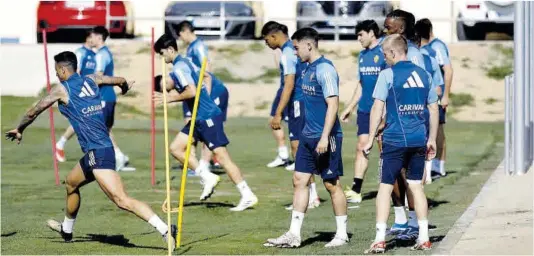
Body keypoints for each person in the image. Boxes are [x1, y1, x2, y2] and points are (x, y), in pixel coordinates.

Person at [5, 51, 177, 250]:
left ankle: (165, 229)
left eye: (56, 71)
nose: (56, 75)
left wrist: (20, 129)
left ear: (62, 69)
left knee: (121, 200)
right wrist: (124, 85)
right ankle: (66, 230)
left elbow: (34, 110)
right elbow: (117, 79)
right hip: (95, 152)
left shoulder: (62, 89)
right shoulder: (91, 79)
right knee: (71, 183)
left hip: (99, 152)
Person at [153, 34, 258, 211]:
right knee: (176, 148)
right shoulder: (185, 63)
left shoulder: (180, 67)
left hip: (206, 116)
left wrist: (168, 98)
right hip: (197, 117)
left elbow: (192, 91)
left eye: (162, 54)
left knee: (223, 158)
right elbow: (204, 77)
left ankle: (247, 195)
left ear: (171, 50)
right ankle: (207, 177)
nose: (162, 59)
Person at [264, 28, 348, 248]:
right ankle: (294, 234)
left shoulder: (325, 69)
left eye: (296, 47)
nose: (294, 52)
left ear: (309, 45)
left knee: (331, 184)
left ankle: (341, 234)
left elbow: (333, 105)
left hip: (326, 138)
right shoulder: (307, 69)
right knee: (299, 180)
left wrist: (324, 137)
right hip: (307, 137)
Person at [363, 34, 439, 253]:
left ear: (393, 52)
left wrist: (369, 138)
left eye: (385, 54)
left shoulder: (388, 75)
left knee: (385, 188)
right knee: (416, 186)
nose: (384, 58)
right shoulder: (424, 75)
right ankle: (424, 237)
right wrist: (432, 138)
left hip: (395, 140)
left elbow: (377, 107)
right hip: (418, 140)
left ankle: (379, 239)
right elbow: (433, 108)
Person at [261, 21, 321, 210]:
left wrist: (278, 113)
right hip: (302, 102)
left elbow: (288, 84)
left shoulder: (288, 53)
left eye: (266, 40)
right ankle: (312, 194)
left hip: (298, 103)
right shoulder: (291, 50)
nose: (266, 44)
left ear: (273, 36)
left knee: (299, 149)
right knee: (299, 148)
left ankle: (310, 195)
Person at [380, 9, 428, 237]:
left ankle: (413, 222)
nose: (384, 30)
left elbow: (426, 91)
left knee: (410, 176)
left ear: (400, 29)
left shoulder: (414, 56)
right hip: (390, 124)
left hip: (409, 126)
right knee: (393, 173)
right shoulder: (387, 52)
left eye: (388, 27)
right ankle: (400, 219)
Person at [340, 20, 387, 204]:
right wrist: (349, 108)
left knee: (386, 150)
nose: (358, 38)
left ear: (371, 33)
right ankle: (356, 189)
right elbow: (361, 85)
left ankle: (394, 188)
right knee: (361, 146)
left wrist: (387, 111)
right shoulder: (362, 56)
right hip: (365, 110)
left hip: (382, 110)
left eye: (361, 34)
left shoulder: (385, 52)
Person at [173, 20, 228, 170]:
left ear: (185, 32)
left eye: (180, 35)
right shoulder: (190, 49)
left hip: (213, 91)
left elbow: (207, 68)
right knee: (192, 123)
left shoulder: (198, 46)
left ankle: (204, 164)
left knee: (208, 126)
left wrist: (206, 95)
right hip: (196, 91)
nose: (181, 39)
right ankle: (194, 162)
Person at [415, 18, 453, 178]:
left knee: (438, 130)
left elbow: (449, 71)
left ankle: (439, 166)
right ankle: (429, 167)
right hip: (428, 94)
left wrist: (445, 95)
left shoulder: (437, 47)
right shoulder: (422, 49)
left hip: (438, 93)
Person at [55, 30, 96, 163]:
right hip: (79, 93)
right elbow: (75, 73)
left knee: (86, 121)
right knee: (81, 121)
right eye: (94, 37)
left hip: (89, 93)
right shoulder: (81, 52)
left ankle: (62, 144)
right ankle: (60, 144)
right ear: (88, 38)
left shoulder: (93, 54)